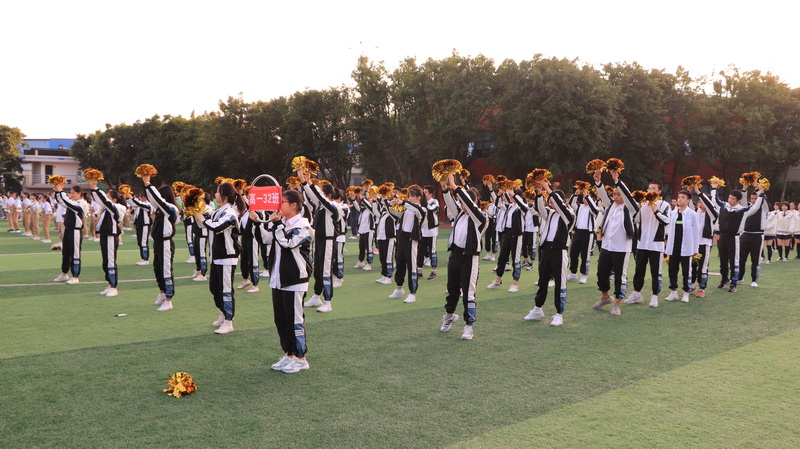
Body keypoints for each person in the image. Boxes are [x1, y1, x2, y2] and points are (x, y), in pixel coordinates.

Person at [266, 190, 313, 374]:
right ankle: (289, 353)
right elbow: (266, 239)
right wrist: (256, 222)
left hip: (294, 278)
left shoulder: (303, 225)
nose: (279, 205)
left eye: (282, 202)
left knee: (294, 320)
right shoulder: (282, 223)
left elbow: (288, 243)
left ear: (294, 205)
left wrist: (277, 224)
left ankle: (301, 357)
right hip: (279, 278)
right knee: (281, 319)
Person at [439, 174, 488, 340]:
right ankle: (449, 316)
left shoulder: (481, 218)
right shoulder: (460, 213)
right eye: (460, 203)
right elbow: (450, 203)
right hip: (456, 255)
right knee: (452, 289)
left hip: (470, 257)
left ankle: (469, 326)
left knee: (468, 293)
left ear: (473, 202)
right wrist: (445, 187)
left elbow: (469, 205)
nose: (461, 205)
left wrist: (455, 185)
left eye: (464, 202)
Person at [525, 180, 575, 326]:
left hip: (559, 251)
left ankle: (559, 313)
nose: (551, 204)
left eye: (553, 201)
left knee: (560, 282)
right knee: (543, 280)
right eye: (550, 201)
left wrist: (548, 188)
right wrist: (539, 192)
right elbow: (540, 209)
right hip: (546, 249)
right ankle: (537, 308)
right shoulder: (550, 213)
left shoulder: (569, 214)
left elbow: (561, 207)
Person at [195, 182, 244, 333]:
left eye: (217, 192)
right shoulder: (218, 211)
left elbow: (217, 227)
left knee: (226, 290)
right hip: (216, 257)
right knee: (215, 288)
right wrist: (196, 213)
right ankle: (223, 312)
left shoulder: (230, 213)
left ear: (225, 195)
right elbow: (205, 225)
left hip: (227, 257)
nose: (215, 195)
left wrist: (202, 219)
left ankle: (229, 322)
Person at [591, 170, 639, 315]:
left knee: (620, 276)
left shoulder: (631, 208)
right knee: (601, 274)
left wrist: (617, 180)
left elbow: (629, 198)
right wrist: (598, 182)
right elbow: (603, 195)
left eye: (619, 194)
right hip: (607, 246)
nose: (616, 196)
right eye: (614, 194)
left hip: (622, 248)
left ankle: (617, 304)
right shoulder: (611, 206)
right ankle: (605, 297)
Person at [710, 180, 766, 292]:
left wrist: (761, 194)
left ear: (738, 200)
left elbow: (756, 207)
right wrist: (714, 188)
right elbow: (714, 200)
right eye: (729, 198)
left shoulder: (743, 210)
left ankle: (734, 283)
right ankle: (724, 279)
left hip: (734, 237)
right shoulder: (723, 206)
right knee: (723, 259)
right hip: (723, 236)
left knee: (734, 260)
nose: (730, 200)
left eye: (733, 199)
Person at [298, 170, 341, 313]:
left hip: (329, 242)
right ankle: (316, 296)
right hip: (320, 241)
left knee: (326, 271)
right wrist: (304, 181)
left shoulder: (333, 207)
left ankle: (328, 301)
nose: (320, 194)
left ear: (328, 194)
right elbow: (312, 195)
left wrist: (310, 183)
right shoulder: (321, 206)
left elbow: (318, 196)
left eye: (323, 192)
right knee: (317, 270)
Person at [624, 181, 670, 308]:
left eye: (654, 188)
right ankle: (636, 294)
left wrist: (656, 211)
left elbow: (667, 220)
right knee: (639, 270)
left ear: (659, 191)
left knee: (656, 272)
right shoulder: (643, 204)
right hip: (642, 243)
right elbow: (635, 220)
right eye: (649, 188)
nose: (650, 190)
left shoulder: (664, 205)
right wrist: (638, 208)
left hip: (656, 245)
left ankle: (655, 296)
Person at [142, 175, 180, 311]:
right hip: (158, 242)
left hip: (166, 243)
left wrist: (148, 183)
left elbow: (158, 199)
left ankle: (169, 299)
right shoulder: (160, 209)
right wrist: (146, 187)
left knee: (166, 270)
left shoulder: (171, 208)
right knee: (157, 268)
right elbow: (153, 199)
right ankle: (162, 292)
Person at [387, 187, 425, 303]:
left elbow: (417, 210)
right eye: (409, 196)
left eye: (412, 196)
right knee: (400, 263)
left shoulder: (421, 209)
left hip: (412, 239)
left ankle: (413, 293)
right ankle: (399, 288)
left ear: (419, 197)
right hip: (402, 237)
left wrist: (403, 202)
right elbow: (396, 214)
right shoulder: (407, 209)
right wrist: (390, 206)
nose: (410, 198)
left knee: (412, 266)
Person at [90, 180, 126, 297]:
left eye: (108, 196)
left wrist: (95, 187)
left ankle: (114, 287)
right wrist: (93, 188)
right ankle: (110, 284)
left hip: (111, 236)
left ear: (114, 200)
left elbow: (104, 201)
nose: (106, 197)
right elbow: (100, 200)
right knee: (105, 261)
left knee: (110, 261)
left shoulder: (119, 207)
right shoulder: (107, 208)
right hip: (105, 235)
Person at [487, 187, 527, 293]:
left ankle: (515, 284)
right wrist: (499, 194)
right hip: (507, 233)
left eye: (512, 196)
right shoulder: (509, 206)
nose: (510, 197)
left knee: (516, 260)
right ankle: (498, 280)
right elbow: (498, 204)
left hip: (517, 235)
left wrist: (513, 194)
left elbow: (523, 207)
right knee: (502, 257)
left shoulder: (522, 207)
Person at [663, 190, 700, 303]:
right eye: (679, 197)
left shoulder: (692, 214)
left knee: (686, 271)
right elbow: (669, 230)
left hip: (686, 248)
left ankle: (686, 292)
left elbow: (696, 232)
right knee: (672, 270)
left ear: (689, 200)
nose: (680, 199)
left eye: (683, 197)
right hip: (673, 247)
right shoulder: (673, 213)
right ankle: (673, 292)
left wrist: (695, 249)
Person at [53, 185, 85, 284]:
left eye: (73, 193)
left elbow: (68, 202)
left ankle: (75, 276)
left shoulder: (81, 203)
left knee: (75, 253)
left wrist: (61, 192)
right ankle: (64, 273)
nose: (71, 195)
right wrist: (57, 192)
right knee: (66, 252)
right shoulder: (72, 202)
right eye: (70, 193)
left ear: (79, 193)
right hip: (68, 230)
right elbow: (62, 202)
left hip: (76, 231)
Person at [567, 185, 599, 284]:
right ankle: (573, 273)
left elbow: (595, 210)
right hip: (578, 232)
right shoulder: (580, 207)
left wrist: (587, 196)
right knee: (573, 253)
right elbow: (572, 203)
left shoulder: (594, 208)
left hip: (588, 234)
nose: (585, 199)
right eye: (584, 198)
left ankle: (584, 274)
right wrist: (576, 194)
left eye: (587, 198)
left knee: (585, 255)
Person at [691, 187, 719, 298]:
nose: (700, 204)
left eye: (702, 202)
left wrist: (698, 192)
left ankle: (702, 288)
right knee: (692, 265)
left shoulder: (713, 214)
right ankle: (691, 285)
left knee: (703, 266)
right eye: (699, 202)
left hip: (705, 243)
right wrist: (689, 190)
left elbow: (709, 206)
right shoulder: (697, 212)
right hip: (695, 244)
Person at [737, 190, 769, 287]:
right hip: (745, 234)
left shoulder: (763, 208)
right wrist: (744, 189)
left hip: (757, 235)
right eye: (752, 198)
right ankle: (740, 277)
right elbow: (742, 199)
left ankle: (754, 280)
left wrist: (760, 191)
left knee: (755, 259)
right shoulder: (747, 208)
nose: (753, 200)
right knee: (741, 258)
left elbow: (763, 201)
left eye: (755, 199)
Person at [353, 188, 377, 272]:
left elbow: (367, 204)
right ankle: (360, 261)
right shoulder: (363, 210)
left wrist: (362, 198)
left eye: (370, 200)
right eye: (368, 199)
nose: (369, 201)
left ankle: (369, 263)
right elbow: (357, 207)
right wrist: (354, 200)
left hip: (369, 231)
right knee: (361, 247)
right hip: (362, 230)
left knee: (369, 247)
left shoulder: (373, 209)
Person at [420, 185, 440, 280]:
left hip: (432, 231)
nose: (424, 194)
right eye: (423, 192)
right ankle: (419, 271)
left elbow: (431, 208)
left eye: (426, 192)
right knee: (421, 251)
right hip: (423, 230)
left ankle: (433, 271)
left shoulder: (434, 201)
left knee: (432, 251)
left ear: (431, 194)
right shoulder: (421, 203)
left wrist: (423, 203)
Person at [128, 191, 152, 266]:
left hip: (145, 225)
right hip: (139, 225)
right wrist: (127, 197)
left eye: (141, 196)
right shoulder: (140, 205)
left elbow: (140, 204)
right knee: (140, 242)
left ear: (145, 197)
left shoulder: (148, 204)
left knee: (143, 242)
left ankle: (145, 259)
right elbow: (132, 203)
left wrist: (132, 198)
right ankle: (143, 258)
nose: (139, 198)